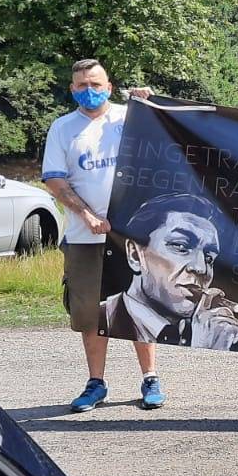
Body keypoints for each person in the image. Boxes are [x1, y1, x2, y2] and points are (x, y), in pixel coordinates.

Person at [42, 59, 160, 412]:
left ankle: (150, 378)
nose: (89, 91)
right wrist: (87, 215)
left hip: (130, 236)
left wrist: (150, 105)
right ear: (72, 89)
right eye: (82, 85)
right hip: (84, 237)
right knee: (90, 313)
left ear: (109, 87)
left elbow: (166, 147)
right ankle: (96, 383)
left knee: (138, 307)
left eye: (95, 84)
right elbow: (55, 179)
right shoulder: (63, 128)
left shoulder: (130, 118)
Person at [101, 192, 238, 350]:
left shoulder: (217, 334)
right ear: (135, 254)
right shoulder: (96, 320)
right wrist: (206, 351)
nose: (201, 268)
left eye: (209, 258)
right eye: (181, 246)